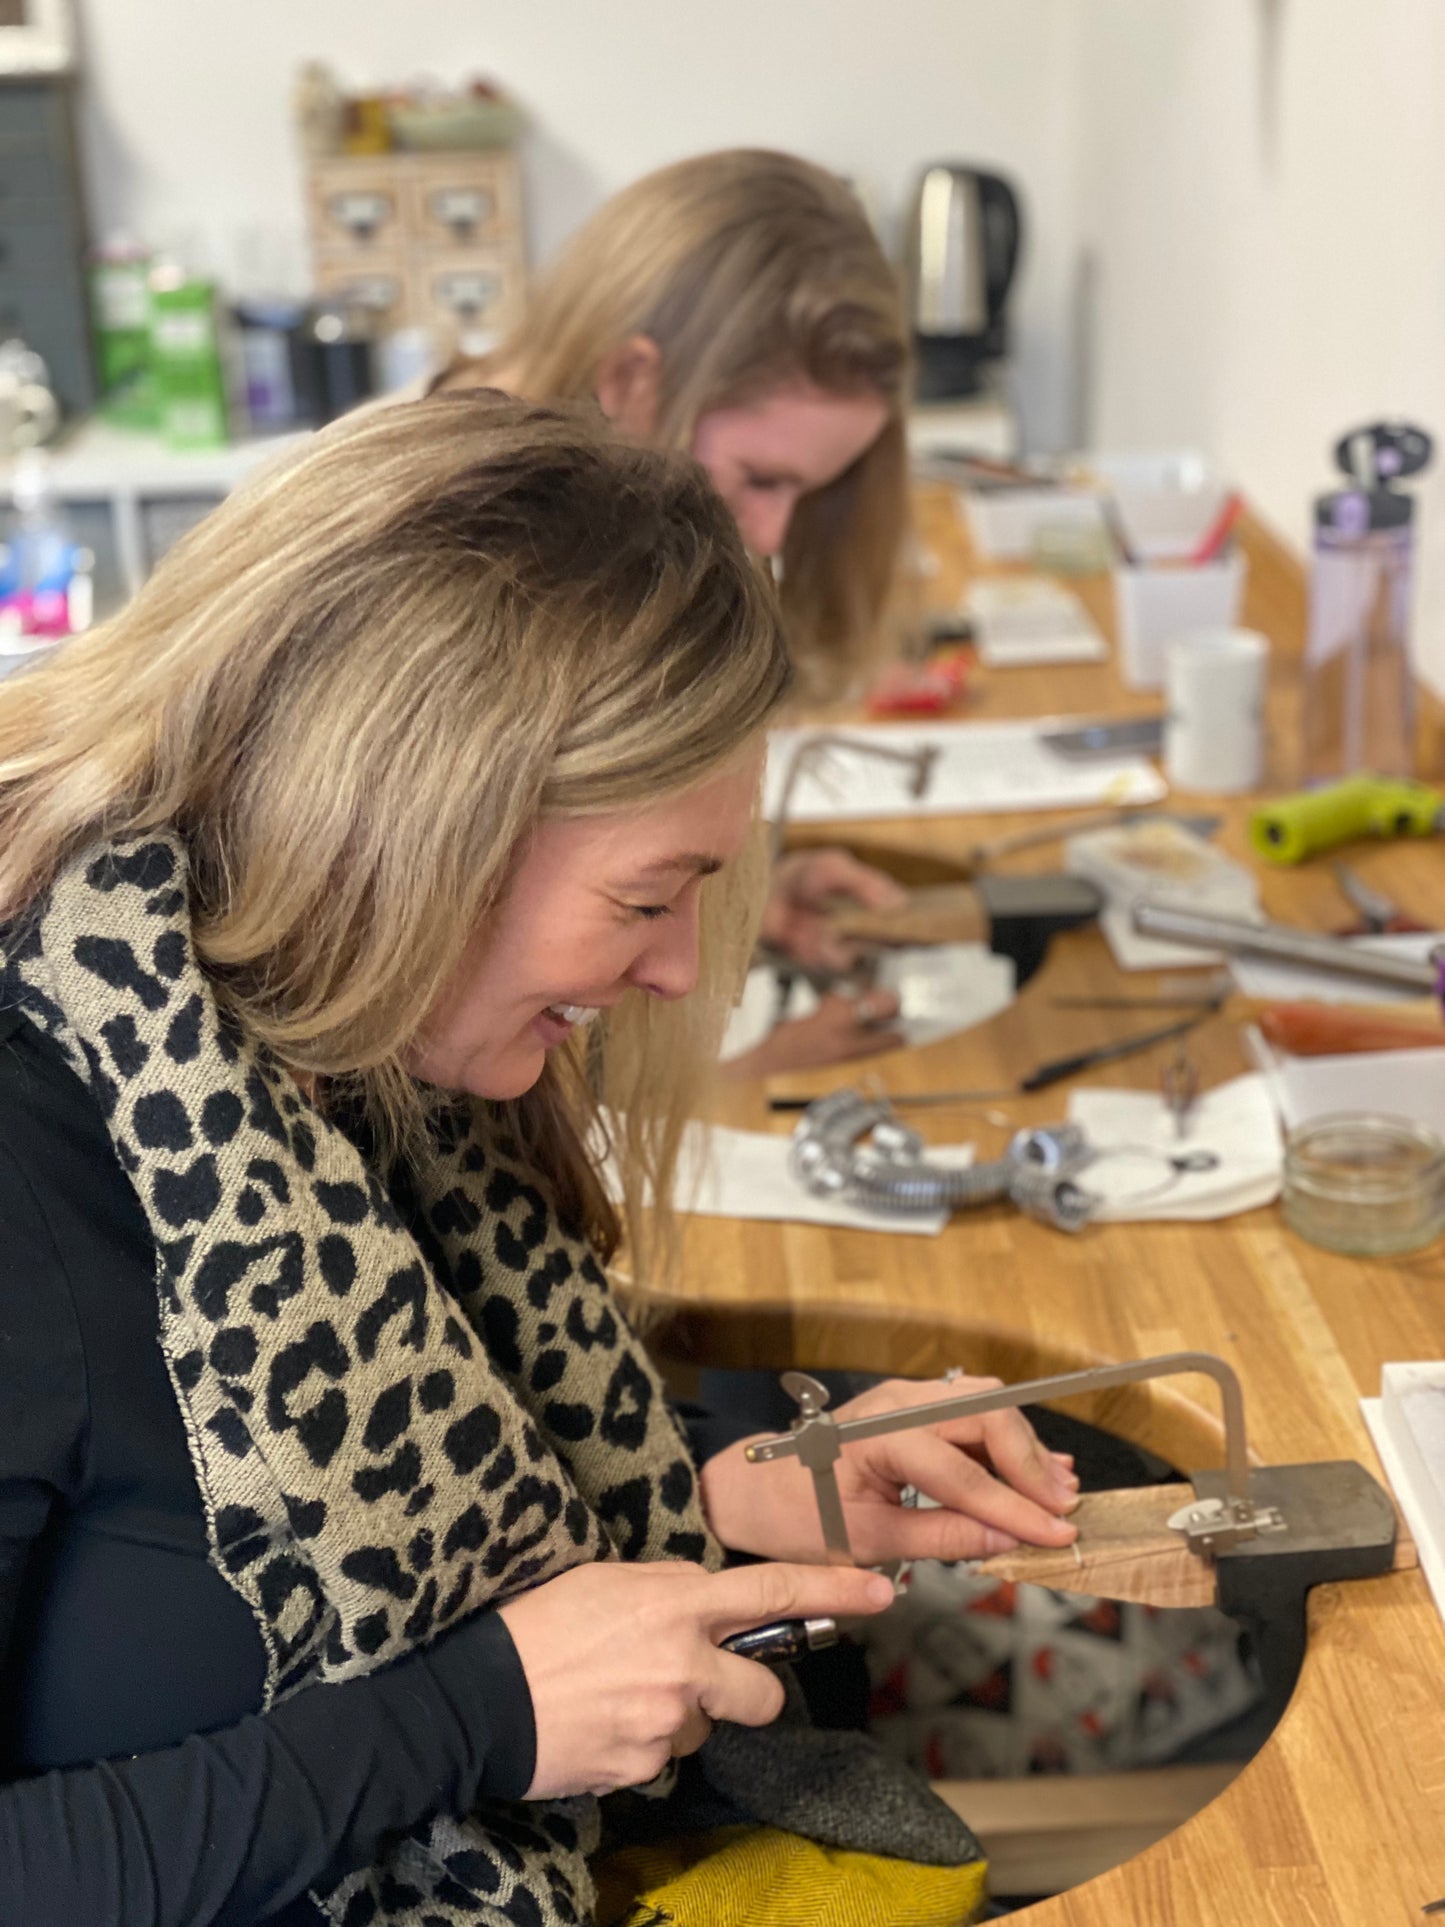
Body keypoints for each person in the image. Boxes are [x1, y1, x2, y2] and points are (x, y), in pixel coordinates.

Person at [0, 393, 1078, 1927]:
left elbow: (428, 1483)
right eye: (648, 898)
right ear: (416, 832)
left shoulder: (332, 1019)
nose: (674, 965)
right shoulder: (39, 1158)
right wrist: (477, 1719)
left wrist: (747, 1485)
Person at [436, 148, 923, 1078]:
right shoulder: (450, 578)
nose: (772, 534)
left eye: (805, 495)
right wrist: (744, 1083)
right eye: (760, 479)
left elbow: (536, 906)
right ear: (631, 384)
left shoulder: (563, 522)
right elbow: (457, 1048)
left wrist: (714, 895)